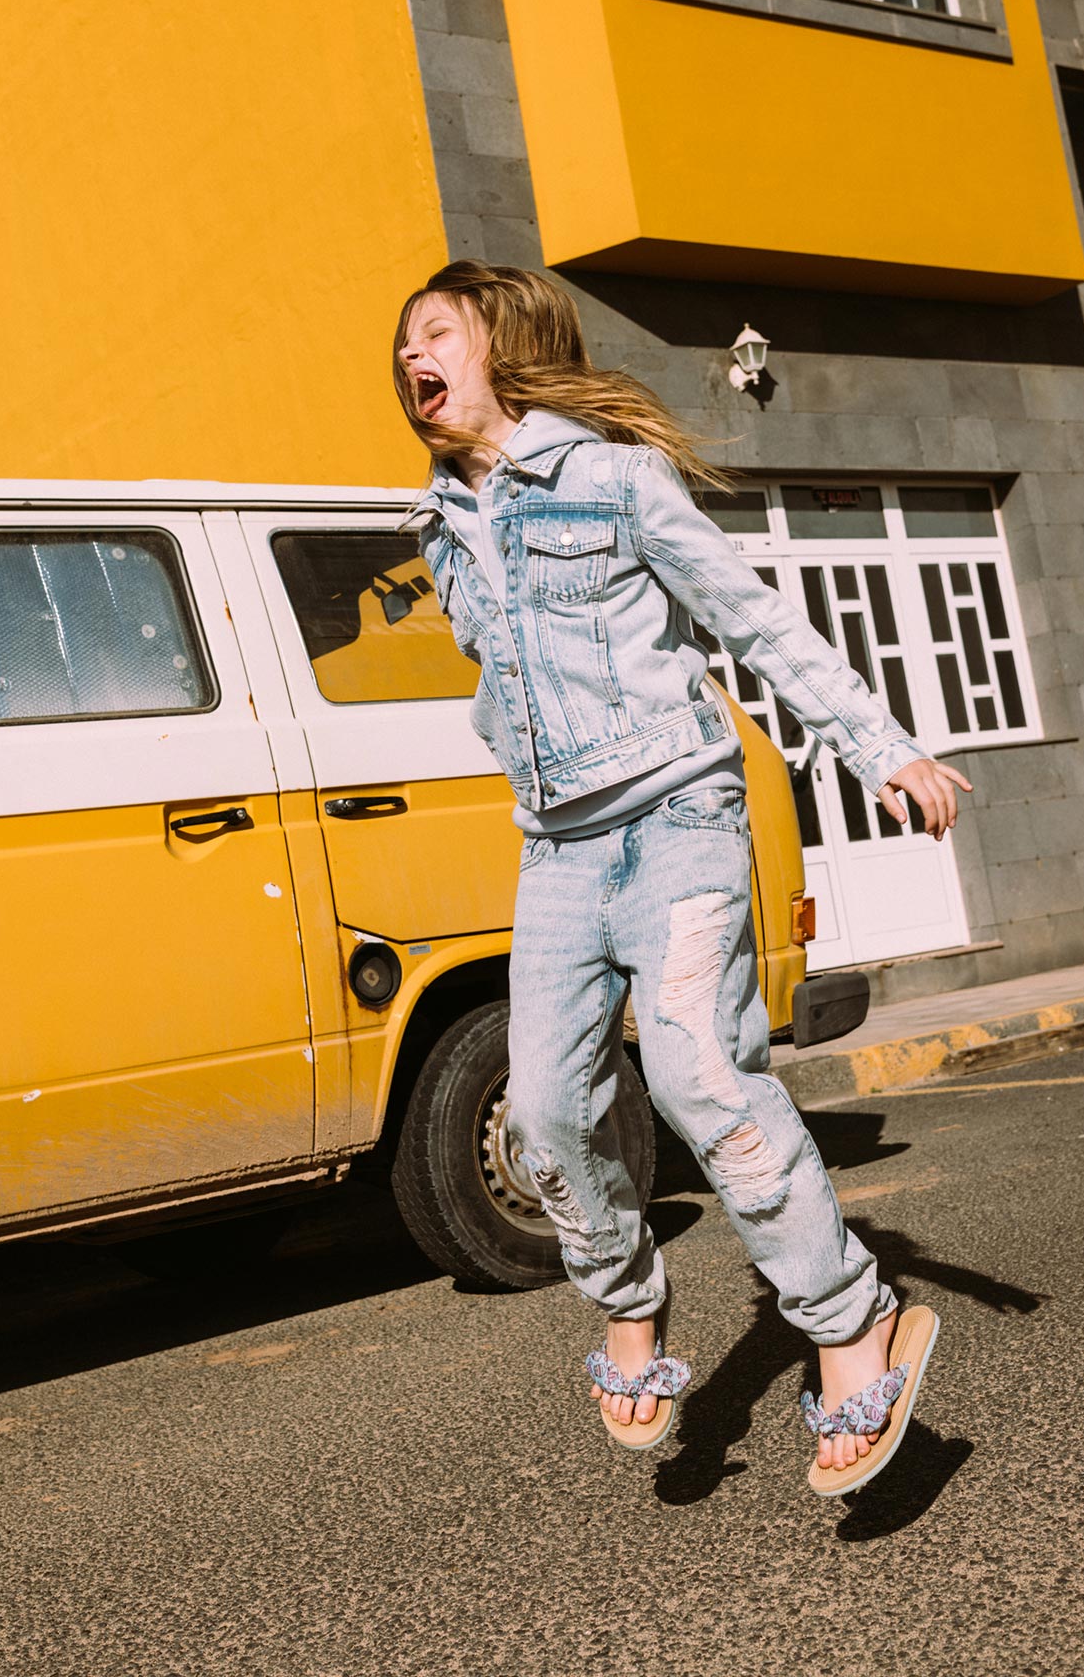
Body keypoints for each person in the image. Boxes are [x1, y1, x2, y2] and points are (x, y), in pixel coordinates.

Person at [396, 260, 970, 1492]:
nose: (411, 357)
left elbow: (753, 620)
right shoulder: (438, 525)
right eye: (403, 343)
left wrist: (883, 749)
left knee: (701, 1071)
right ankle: (629, 1303)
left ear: (507, 347)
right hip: (558, 845)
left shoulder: (616, 479)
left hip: (678, 817)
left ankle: (851, 1321)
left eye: (436, 332)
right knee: (545, 1111)